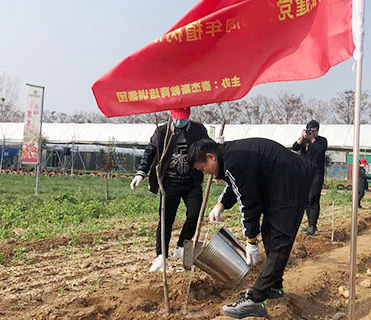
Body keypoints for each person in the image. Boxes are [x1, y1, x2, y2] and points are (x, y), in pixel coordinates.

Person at [189, 138, 315, 319]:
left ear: (211, 157)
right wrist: (221, 204)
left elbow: (249, 203)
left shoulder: (233, 160)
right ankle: (274, 287)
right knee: (269, 232)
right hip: (282, 181)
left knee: (280, 240)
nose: (205, 173)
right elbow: (238, 185)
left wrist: (251, 241)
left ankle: (256, 299)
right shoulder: (229, 157)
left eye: (203, 168)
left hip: (291, 183)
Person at [130, 107, 209, 272]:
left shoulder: (198, 129)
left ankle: (181, 247)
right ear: (172, 116)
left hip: (191, 182)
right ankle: (161, 256)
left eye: (184, 118)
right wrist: (141, 173)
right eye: (178, 118)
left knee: (195, 215)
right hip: (169, 183)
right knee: (166, 220)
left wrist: (218, 146)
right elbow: (149, 152)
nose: (180, 121)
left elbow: (207, 147)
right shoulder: (161, 132)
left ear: (188, 116)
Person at [292, 120, 327, 236]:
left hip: (317, 174)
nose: (312, 133)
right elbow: (295, 148)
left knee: (313, 198)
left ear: (318, 130)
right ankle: (309, 224)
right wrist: (302, 139)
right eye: (310, 130)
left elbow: (320, 151)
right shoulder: (305, 140)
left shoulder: (322, 141)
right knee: (306, 199)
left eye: (314, 131)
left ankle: (313, 225)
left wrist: (312, 140)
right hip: (305, 174)